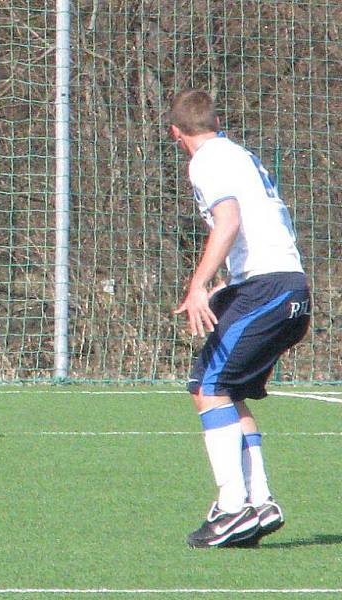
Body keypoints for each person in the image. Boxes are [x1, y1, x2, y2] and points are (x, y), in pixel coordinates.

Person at [169, 89, 310, 548]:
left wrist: (198, 286)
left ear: (177, 133)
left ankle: (232, 508)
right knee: (231, 390)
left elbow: (227, 221)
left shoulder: (205, 161)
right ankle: (261, 500)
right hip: (288, 288)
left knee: (207, 388)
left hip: (266, 287)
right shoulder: (237, 153)